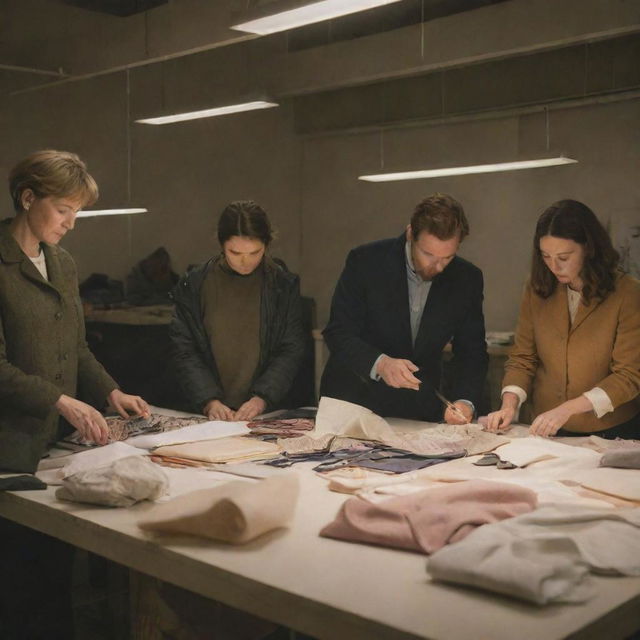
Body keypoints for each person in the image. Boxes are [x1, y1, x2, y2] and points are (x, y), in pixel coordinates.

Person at [0, 149, 149, 638]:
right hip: (9, 446)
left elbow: (76, 346)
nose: (71, 223)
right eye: (64, 209)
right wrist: (60, 400)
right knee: (18, 584)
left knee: (56, 579)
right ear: (28, 198)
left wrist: (110, 391)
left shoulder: (62, 263)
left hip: (53, 445)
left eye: (76, 212)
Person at [320, 193, 488, 423]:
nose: (437, 266)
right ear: (410, 233)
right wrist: (380, 363)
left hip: (417, 408)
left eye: (447, 257)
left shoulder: (467, 278)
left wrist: (465, 401)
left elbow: (472, 352)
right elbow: (338, 332)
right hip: (356, 401)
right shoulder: (366, 262)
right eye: (427, 254)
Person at [486, 199, 640, 438]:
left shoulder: (627, 293)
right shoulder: (537, 288)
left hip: (610, 430)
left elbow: (628, 376)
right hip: (545, 427)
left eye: (564, 257)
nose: (554, 266)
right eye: (546, 256)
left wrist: (567, 409)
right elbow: (523, 357)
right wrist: (510, 404)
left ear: (589, 248)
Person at [170, 200, 306, 421]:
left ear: (267, 244)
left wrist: (262, 398)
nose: (245, 262)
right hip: (209, 412)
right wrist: (208, 400)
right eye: (235, 252)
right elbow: (184, 348)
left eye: (255, 253)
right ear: (221, 244)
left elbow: (290, 348)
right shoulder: (195, 284)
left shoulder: (282, 285)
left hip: (267, 411)